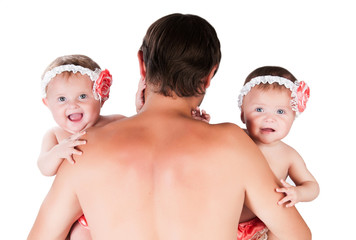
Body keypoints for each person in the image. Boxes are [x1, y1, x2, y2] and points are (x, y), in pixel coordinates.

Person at [28, 13, 311, 239]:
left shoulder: (84, 147)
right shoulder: (234, 144)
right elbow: (296, 235)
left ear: (142, 64)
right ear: (210, 75)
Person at [37, 54, 126, 239]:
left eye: (83, 96)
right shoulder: (56, 135)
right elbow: (44, 167)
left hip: (115, 206)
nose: (73, 105)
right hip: (80, 213)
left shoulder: (115, 123)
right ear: (48, 104)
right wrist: (58, 152)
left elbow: (144, 132)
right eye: (61, 99)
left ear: (101, 97)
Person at [237, 66, 319, 240]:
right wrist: (200, 123)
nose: (270, 118)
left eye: (280, 112)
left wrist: (298, 193)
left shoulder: (288, 155)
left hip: (260, 229)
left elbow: (312, 186)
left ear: (293, 116)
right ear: (243, 114)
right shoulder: (236, 137)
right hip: (224, 222)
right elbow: (206, 144)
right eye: (259, 110)